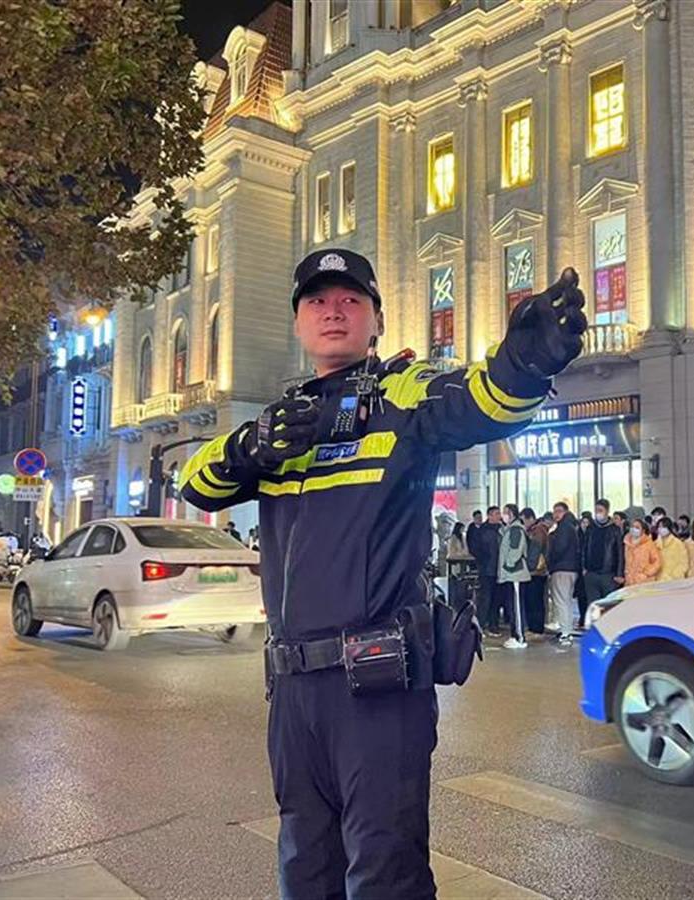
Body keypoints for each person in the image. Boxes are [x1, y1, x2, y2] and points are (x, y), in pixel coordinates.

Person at [177, 247, 587, 897]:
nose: (333, 311)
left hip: (376, 684)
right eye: (317, 301)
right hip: (292, 693)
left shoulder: (404, 392)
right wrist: (252, 444)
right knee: (304, 867)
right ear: (298, 322)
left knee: (384, 873)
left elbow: (481, 402)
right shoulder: (282, 422)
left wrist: (526, 362)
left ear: (377, 320)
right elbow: (195, 483)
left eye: (351, 300)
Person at [546, 501, 580, 646]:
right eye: (554, 511)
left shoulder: (563, 528)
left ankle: (565, 633)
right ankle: (566, 630)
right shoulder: (571, 527)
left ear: (565, 512)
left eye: (559, 511)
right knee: (565, 601)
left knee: (561, 601)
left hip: (562, 569)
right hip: (570, 568)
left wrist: (551, 562)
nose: (556, 514)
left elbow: (559, 548)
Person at [581, 499, 625, 608]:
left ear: (607, 511)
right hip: (591, 574)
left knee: (609, 606)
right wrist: (584, 567)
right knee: (593, 606)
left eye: (601, 510)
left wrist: (619, 573)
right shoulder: (590, 528)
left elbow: (620, 552)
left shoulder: (615, 530)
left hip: (608, 575)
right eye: (596, 510)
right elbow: (584, 548)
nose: (598, 513)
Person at [497, 503, 529, 649]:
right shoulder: (508, 530)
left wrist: (508, 565)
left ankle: (519, 637)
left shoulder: (516, 530)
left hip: (515, 574)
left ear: (512, 514)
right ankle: (514, 634)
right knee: (512, 605)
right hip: (510, 574)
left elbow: (516, 549)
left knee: (516, 606)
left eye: (505, 512)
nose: (503, 515)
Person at [474, 507, 503, 635]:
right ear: (489, 516)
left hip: (498, 569)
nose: (499, 516)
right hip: (486, 570)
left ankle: (493, 624)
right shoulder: (482, 531)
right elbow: (476, 548)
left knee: (496, 598)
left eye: (499, 513)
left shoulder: (501, 529)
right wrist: (483, 561)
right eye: (496, 514)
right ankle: (480, 624)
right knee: (485, 598)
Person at [520, 508, 548, 636]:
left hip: (536, 572)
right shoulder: (535, 530)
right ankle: (534, 627)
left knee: (534, 601)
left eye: (523, 520)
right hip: (536, 572)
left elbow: (535, 550)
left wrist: (530, 566)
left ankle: (536, 628)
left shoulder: (537, 531)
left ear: (530, 518)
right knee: (533, 600)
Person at [623, 519, 661, 585]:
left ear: (643, 530)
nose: (634, 529)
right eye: (632, 526)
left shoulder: (649, 544)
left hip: (645, 581)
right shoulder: (627, 544)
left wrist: (646, 573)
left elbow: (657, 562)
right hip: (629, 581)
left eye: (637, 527)